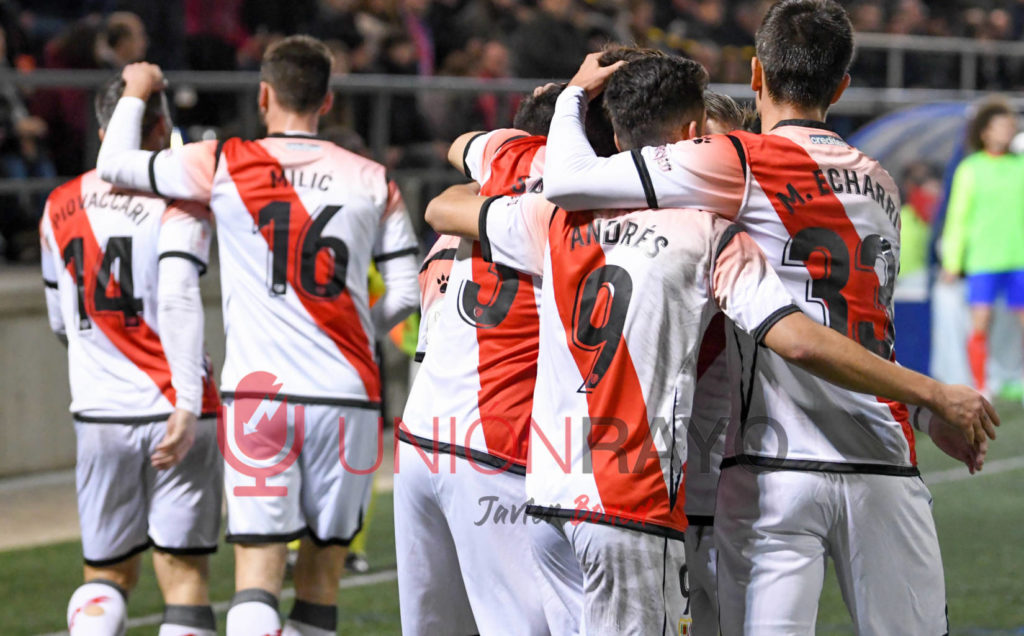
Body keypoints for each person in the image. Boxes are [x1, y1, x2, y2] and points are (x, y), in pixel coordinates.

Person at [425, 53, 994, 636]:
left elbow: (446, 204)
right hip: (653, 495)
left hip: (574, 489)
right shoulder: (714, 236)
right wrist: (934, 398)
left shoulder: (558, 219)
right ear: (687, 144)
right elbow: (801, 337)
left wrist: (539, 142)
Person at [95, 36, 421, 636]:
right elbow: (405, 293)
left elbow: (114, 164)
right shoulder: (375, 178)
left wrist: (137, 93)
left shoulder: (220, 161)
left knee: (256, 575)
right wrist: (353, 331)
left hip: (259, 399)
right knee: (322, 579)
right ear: (327, 101)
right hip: (348, 398)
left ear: (263, 93)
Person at [40, 75, 221, 636]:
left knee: (105, 574)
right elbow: (180, 297)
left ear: (102, 130)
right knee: (184, 575)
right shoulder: (180, 198)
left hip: (101, 413)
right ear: (163, 128)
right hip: (180, 406)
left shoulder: (57, 204)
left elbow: (58, 322)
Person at [940, 96, 1024, 398]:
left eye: (1010, 125)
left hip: (1019, 256)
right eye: (1001, 125)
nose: (1007, 129)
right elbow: (958, 218)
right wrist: (953, 262)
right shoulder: (970, 169)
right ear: (985, 131)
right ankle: (982, 384)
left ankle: (1017, 378)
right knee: (980, 323)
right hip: (984, 259)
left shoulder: (1021, 166)